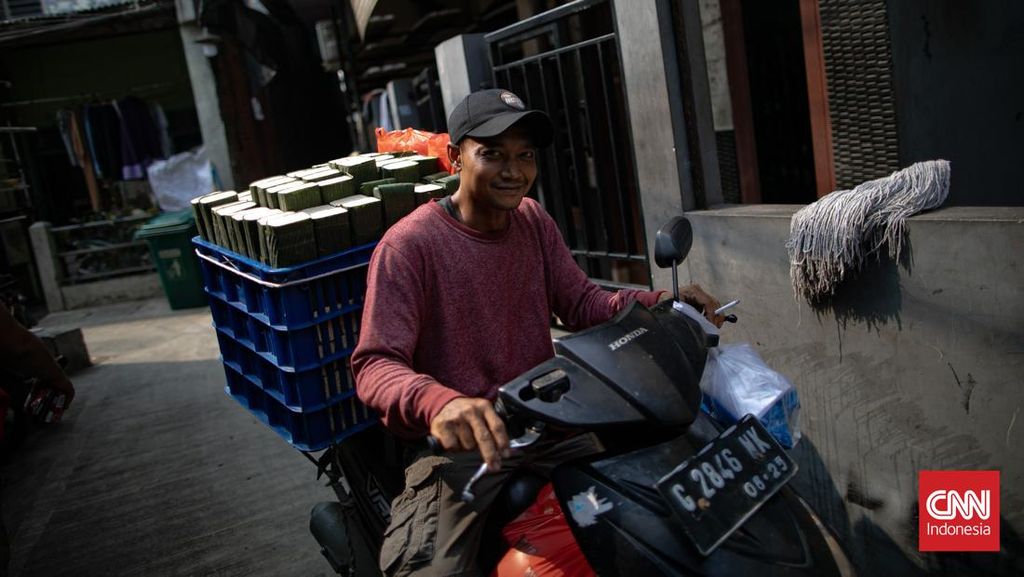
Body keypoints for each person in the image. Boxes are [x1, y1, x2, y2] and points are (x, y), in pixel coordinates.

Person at [352, 88, 724, 576]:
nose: (514, 171)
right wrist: (441, 404)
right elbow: (375, 363)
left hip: (551, 422)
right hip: (467, 448)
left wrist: (661, 304)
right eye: (492, 154)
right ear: (453, 157)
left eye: (524, 156)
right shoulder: (409, 246)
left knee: (654, 508)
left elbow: (582, 302)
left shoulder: (532, 220)